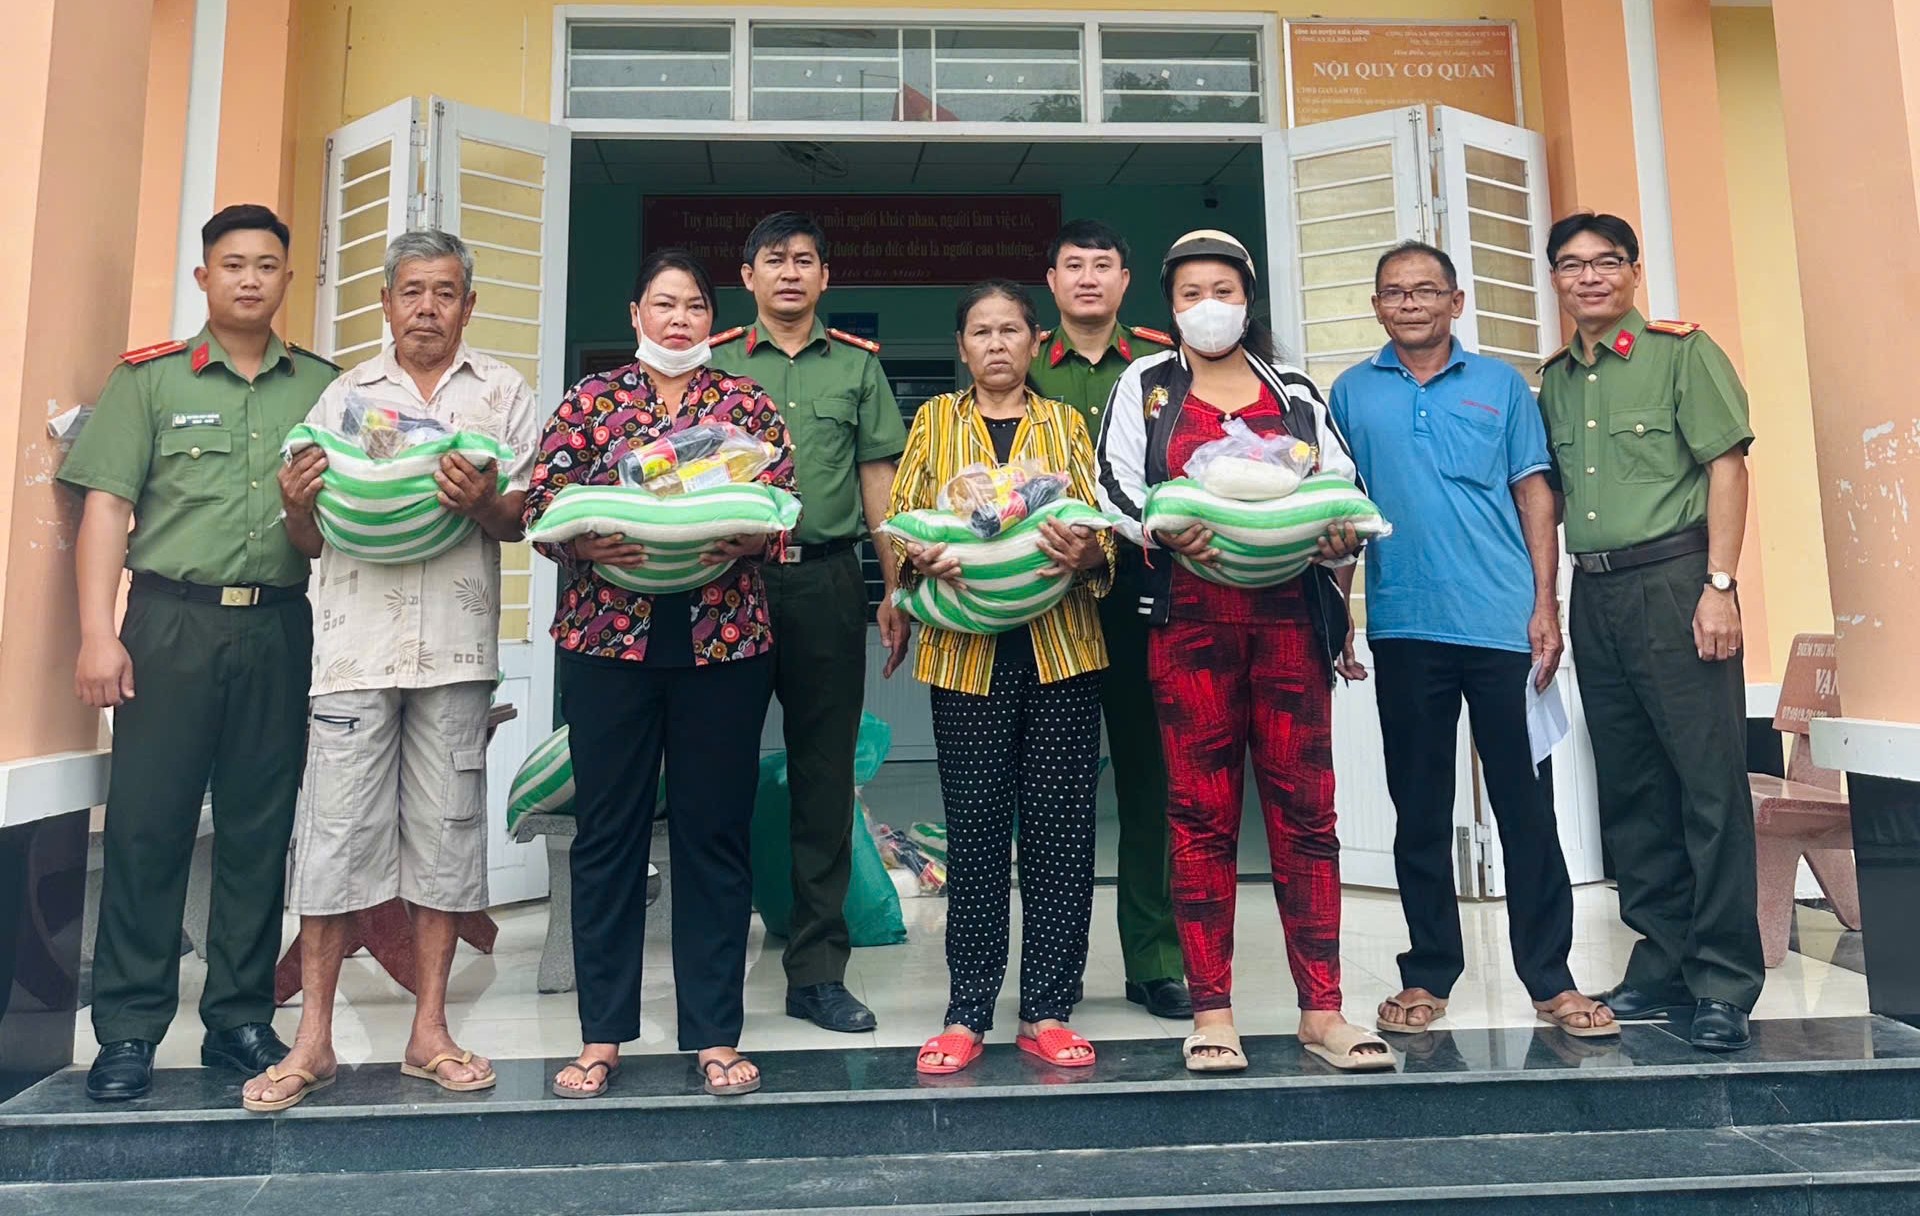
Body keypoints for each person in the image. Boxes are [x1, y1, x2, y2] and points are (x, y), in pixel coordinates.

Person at [238, 230, 541, 1112]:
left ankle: (429, 1033)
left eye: (445, 292)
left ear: (468, 305)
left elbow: (521, 520)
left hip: (455, 649)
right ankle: (313, 1042)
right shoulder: (342, 400)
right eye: (412, 291)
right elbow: (311, 539)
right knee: (332, 842)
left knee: (448, 838)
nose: (427, 309)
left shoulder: (503, 393)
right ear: (386, 303)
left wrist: (483, 503)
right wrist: (295, 507)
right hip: (354, 650)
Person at [59, 204, 340, 1102]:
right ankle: (129, 1029)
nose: (250, 279)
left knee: (260, 829)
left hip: (279, 625)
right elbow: (107, 506)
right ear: (204, 277)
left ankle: (239, 1020)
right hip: (169, 624)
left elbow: (341, 521)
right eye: (233, 264)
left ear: (287, 278)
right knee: (149, 826)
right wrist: (98, 632)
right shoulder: (148, 381)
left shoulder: (325, 389)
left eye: (267, 265)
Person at [1095, 229, 1391, 1073]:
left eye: (1222, 290)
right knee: (1200, 816)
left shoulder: (1292, 390)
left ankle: (1322, 1010)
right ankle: (1212, 1011)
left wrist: (1337, 539)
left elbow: (1343, 484)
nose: (1208, 306)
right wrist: (1161, 527)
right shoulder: (1145, 386)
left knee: (1308, 816)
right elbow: (1113, 484)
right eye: (1191, 293)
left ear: (1247, 299)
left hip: (1289, 624)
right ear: (1170, 305)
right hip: (1189, 625)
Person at [1327, 241, 1616, 1040]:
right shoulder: (1351, 393)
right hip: (1404, 626)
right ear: (1377, 306)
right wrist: (1339, 615)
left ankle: (1552, 979)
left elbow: (1535, 493)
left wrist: (1545, 607)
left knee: (1527, 810)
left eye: (1426, 290)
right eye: (1395, 292)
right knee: (1419, 810)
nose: (1410, 303)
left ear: (1457, 302)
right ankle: (1427, 974)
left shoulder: (1502, 386)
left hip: (1504, 630)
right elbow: (1341, 511)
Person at [525, 248, 795, 1099]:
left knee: (714, 834)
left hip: (726, 643)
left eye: (694, 307)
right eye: (664, 304)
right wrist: (580, 540)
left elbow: (784, 502)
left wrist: (758, 538)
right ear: (636, 314)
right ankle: (601, 1036)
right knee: (609, 835)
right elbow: (540, 503)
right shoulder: (591, 400)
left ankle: (714, 1034)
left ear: (713, 320)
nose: (679, 320)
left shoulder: (745, 404)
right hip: (608, 643)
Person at [1538, 212, 1761, 1052]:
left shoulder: (1681, 353)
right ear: (1555, 280)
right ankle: (1661, 957)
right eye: (1571, 265)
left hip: (1677, 582)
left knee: (1707, 786)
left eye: (1606, 262)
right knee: (1631, 789)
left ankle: (1724, 979)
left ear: (1633, 271)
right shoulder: (1556, 380)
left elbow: (1727, 466)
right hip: (1595, 592)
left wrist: (1719, 586)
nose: (1589, 277)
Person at [892, 281, 1115, 1075]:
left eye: (1010, 330)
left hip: (1062, 652)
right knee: (977, 831)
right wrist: (918, 556)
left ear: (1035, 341)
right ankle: (967, 1009)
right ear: (962, 347)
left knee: (1061, 834)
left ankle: (1048, 1008)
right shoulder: (933, 421)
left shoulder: (1065, 424)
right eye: (981, 332)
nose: (996, 344)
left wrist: (1090, 553)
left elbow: (1101, 525)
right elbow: (904, 516)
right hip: (966, 658)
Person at [713, 211, 907, 1035]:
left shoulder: (858, 367)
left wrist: (893, 587)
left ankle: (818, 972)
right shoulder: (715, 362)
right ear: (747, 276)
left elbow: (877, 480)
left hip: (827, 580)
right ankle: (713, 971)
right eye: (774, 260)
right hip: (726, 583)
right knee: (716, 773)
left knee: (823, 780)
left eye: (804, 261)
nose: (789, 273)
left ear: (825, 277)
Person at [1026, 219, 1188, 1020]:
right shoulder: (1020, 360)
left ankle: (1155, 959)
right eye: (1073, 265)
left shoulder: (1167, 364)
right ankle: (1052, 970)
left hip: (1141, 595)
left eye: (1103, 265)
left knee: (1150, 779)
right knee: (1050, 790)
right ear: (1051, 282)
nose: (1088, 278)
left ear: (1126, 281)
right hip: (1041, 598)